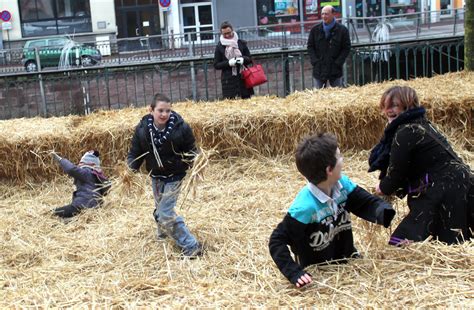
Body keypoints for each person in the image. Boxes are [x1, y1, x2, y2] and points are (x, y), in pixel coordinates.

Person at [269, 133, 395, 288]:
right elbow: (276, 241)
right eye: (339, 156)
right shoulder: (305, 207)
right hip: (320, 275)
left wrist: (382, 211)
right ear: (329, 169)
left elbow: (363, 202)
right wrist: (294, 272)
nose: (342, 161)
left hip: (347, 263)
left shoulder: (342, 184)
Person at [369, 86, 473, 245]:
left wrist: (382, 188)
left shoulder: (405, 131)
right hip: (459, 182)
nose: (389, 110)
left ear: (408, 105)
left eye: (394, 105)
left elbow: (396, 175)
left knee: (403, 243)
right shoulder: (423, 125)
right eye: (386, 105)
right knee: (453, 242)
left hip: (444, 187)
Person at [127, 93, 203, 257]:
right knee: (159, 209)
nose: (164, 114)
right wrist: (129, 170)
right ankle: (163, 234)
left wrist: (193, 163)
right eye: (160, 110)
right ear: (151, 110)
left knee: (165, 212)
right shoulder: (142, 130)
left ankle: (191, 245)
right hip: (156, 176)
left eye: (168, 111)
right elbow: (135, 152)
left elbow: (191, 148)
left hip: (175, 175)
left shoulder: (180, 127)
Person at [51, 150, 110, 218]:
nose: (79, 165)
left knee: (53, 213)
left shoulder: (87, 172)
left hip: (82, 205)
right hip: (94, 207)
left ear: (88, 163)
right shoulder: (98, 176)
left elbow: (71, 169)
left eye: (81, 163)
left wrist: (60, 160)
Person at [307, 5, 351, 89]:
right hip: (319, 68)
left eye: (326, 14)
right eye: (322, 14)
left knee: (338, 95)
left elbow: (346, 47)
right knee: (318, 95)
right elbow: (310, 46)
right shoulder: (315, 30)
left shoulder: (342, 30)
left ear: (333, 14)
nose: (323, 16)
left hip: (335, 68)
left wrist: (338, 62)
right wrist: (315, 61)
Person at [213, 21, 254, 99]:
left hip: (243, 78)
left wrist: (242, 59)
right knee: (231, 104)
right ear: (221, 34)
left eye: (229, 32)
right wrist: (229, 63)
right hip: (228, 80)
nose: (228, 35)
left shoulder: (241, 43)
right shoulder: (220, 46)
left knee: (246, 103)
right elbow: (216, 65)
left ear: (232, 30)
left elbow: (249, 59)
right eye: (225, 34)